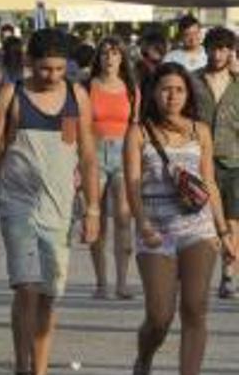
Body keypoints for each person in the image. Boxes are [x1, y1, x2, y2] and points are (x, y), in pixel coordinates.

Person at [0, 28, 101, 375]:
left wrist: (93, 208)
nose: (52, 77)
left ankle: (39, 368)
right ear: (30, 63)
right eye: (45, 69)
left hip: (59, 209)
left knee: (48, 294)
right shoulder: (11, 94)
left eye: (60, 70)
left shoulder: (76, 96)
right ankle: (22, 365)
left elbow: (86, 155)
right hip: (18, 205)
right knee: (27, 287)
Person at [124, 62, 237, 374]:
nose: (171, 96)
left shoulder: (199, 131)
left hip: (197, 229)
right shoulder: (138, 132)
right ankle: (144, 356)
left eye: (178, 90)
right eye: (165, 89)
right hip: (156, 231)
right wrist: (142, 223)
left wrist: (224, 231)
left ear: (188, 94)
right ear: (154, 93)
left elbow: (209, 182)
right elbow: (132, 183)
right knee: (159, 315)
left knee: (195, 309)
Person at [87, 37, 138, 300]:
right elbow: (73, 124)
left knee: (123, 216)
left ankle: (122, 281)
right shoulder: (87, 86)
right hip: (94, 154)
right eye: (105, 53)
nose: (110, 58)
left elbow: (136, 126)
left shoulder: (131, 88)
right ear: (99, 57)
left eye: (115, 53)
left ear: (122, 58)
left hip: (122, 153)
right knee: (96, 218)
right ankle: (101, 282)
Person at [194, 26, 239, 299]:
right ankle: (199, 276)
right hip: (200, 159)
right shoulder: (192, 80)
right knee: (205, 223)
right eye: (214, 48)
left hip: (235, 160)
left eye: (224, 48)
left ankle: (229, 274)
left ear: (231, 51)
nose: (218, 53)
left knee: (234, 222)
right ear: (206, 49)